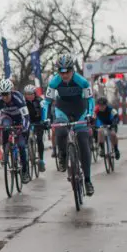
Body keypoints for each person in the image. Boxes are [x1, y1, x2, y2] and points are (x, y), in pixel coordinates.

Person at [43, 53, 96, 195]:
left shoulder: (82, 81)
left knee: (84, 143)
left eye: (67, 71)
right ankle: (63, 155)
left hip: (81, 109)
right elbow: (47, 102)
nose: (64, 75)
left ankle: (87, 181)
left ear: (72, 70)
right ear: (58, 71)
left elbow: (90, 99)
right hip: (63, 109)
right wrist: (46, 118)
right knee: (60, 131)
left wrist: (90, 114)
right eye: (61, 71)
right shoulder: (54, 82)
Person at [0, 79, 31, 183]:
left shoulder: (18, 98)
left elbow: (26, 117)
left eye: (6, 94)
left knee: (22, 146)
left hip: (19, 118)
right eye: (2, 94)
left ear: (11, 92)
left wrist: (25, 128)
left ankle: (25, 171)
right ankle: (6, 149)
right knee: (4, 126)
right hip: (7, 117)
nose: (4, 97)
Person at [23, 84, 47, 172]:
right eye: (27, 94)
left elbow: (44, 110)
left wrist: (44, 121)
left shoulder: (40, 100)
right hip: (28, 122)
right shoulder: (23, 101)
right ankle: (25, 156)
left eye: (31, 94)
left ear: (35, 94)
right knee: (24, 138)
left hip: (38, 122)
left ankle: (41, 160)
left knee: (40, 139)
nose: (29, 96)